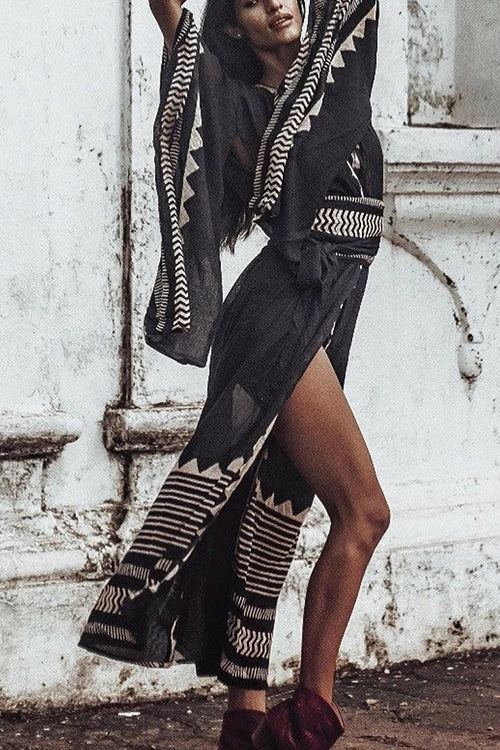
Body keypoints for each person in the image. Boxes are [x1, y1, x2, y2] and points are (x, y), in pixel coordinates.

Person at [79, 0, 391, 746]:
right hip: (278, 313)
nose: (275, 2)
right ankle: (308, 718)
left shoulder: (336, 76)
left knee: (268, 511)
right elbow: (177, 26)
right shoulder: (235, 100)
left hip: (327, 306)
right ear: (232, 26)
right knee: (364, 512)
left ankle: (244, 724)